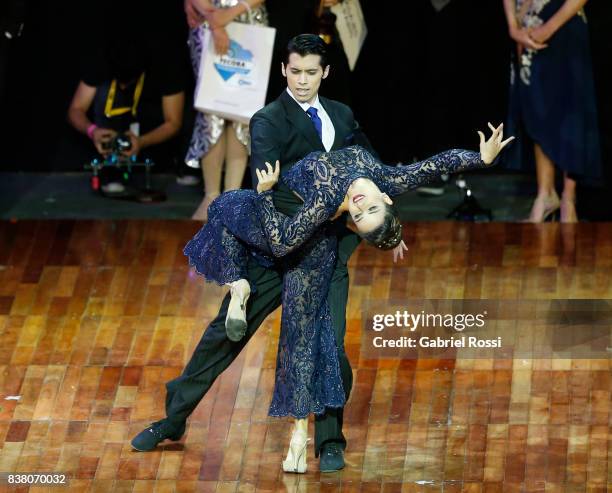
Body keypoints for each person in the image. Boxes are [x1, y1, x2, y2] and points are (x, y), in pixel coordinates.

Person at [180, 124, 511, 472]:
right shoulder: (386, 179)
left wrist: (264, 193)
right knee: (299, 338)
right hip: (285, 237)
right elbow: (435, 165)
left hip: (296, 244)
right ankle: (239, 287)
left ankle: (306, 433)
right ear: (387, 198)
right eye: (370, 210)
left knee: (308, 342)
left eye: (359, 216)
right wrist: (483, 158)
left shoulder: (327, 202)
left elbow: (282, 239)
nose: (360, 207)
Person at [502, 0, 601, 222]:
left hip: (562, 19)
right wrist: (513, 26)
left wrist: (548, 28)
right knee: (538, 110)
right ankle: (545, 194)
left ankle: (568, 197)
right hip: (526, 19)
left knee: (569, 108)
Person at [67, 28, 185, 194]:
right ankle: (112, 169)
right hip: (112, 123)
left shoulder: (164, 65)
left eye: (127, 82)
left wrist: (142, 141)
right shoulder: (101, 61)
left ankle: (180, 166)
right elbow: (76, 109)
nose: (123, 86)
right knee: (104, 95)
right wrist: (93, 131)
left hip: (151, 126)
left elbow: (174, 122)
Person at [184, 0, 268, 221]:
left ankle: (232, 198)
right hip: (205, 17)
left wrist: (229, 14)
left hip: (248, 16)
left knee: (242, 110)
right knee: (211, 106)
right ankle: (210, 195)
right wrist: (210, 16)